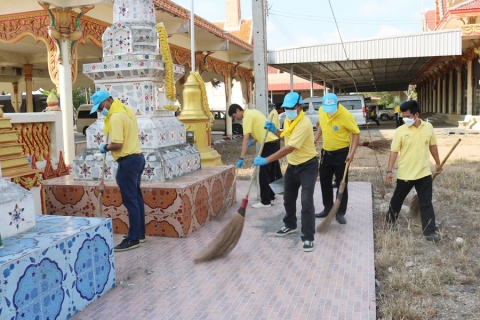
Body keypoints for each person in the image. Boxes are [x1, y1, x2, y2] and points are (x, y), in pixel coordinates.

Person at [253, 92, 318, 252]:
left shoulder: (304, 123)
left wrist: (267, 159)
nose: (287, 110)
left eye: (291, 108)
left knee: (306, 201)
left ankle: (308, 237)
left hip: (308, 166)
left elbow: (289, 148)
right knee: (288, 198)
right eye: (285, 108)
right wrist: (276, 130)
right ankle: (290, 225)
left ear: (299, 107)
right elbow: (285, 137)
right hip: (293, 166)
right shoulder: (290, 119)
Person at [90, 90, 146, 252]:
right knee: (137, 199)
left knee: (130, 201)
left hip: (127, 162)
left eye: (100, 107)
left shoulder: (115, 117)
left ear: (107, 100)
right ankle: (140, 234)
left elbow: (117, 144)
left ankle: (134, 237)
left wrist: (105, 147)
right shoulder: (125, 109)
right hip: (137, 159)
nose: (101, 112)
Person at [385, 100, 442, 242]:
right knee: (397, 200)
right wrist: (389, 170)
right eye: (403, 116)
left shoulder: (428, 127)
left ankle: (429, 232)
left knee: (426, 202)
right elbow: (394, 152)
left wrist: (438, 163)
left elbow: (433, 146)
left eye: (408, 116)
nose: (405, 119)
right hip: (406, 173)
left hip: (424, 173)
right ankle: (390, 223)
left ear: (417, 114)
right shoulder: (400, 131)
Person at [313, 93, 360, 225]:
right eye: (327, 109)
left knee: (341, 183)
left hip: (342, 154)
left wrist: (352, 153)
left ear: (338, 104)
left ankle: (340, 212)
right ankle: (328, 208)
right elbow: (322, 125)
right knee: (324, 181)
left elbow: (356, 133)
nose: (329, 112)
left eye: (332, 109)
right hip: (326, 153)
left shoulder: (346, 116)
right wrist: (316, 138)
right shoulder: (322, 110)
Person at [228, 103, 281, 208]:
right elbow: (262, 130)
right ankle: (271, 198)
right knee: (271, 172)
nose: (236, 118)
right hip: (275, 142)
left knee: (264, 174)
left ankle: (265, 202)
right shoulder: (254, 112)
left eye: (235, 116)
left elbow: (245, 138)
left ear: (238, 110)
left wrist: (241, 158)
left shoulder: (247, 117)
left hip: (268, 145)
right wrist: (253, 141)